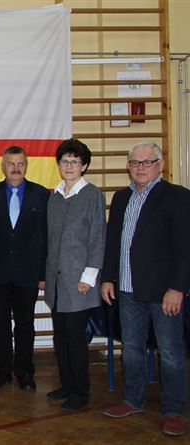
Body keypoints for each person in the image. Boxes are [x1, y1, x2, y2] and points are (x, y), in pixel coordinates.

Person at [100, 142, 190, 437]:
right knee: (132, 349)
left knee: (171, 352)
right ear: (128, 166)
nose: (140, 167)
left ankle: (173, 410)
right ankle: (133, 400)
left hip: (163, 292)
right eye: (135, 162)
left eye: (147, 162)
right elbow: (113, 241)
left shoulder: (177, 196)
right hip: (127, 289)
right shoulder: (121, 197)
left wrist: (177, 288)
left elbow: (184, 248)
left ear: (160, 165)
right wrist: (108, 278)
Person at [43, 138, 106, 412]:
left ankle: (81, 392)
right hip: (56, 282)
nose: (69, 166)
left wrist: (88, 277)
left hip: (79, 281)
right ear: (59, 165)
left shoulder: (92, 195)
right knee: (60, 336)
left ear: (84, 166)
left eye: (75, 161)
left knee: (75, 338)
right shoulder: (55, 196)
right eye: (65, 161)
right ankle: (67, 385)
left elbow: (97, 238)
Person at [0, 146, 49, 391]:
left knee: (25, 325)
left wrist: (43, 273)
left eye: (20, 163)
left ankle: (24, 372)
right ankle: (2, 372)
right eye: (11, 164)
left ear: (26, 166)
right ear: (3, 166)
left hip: (27, 272)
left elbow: (46, 236)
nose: (16, 168)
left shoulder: (41, 195)